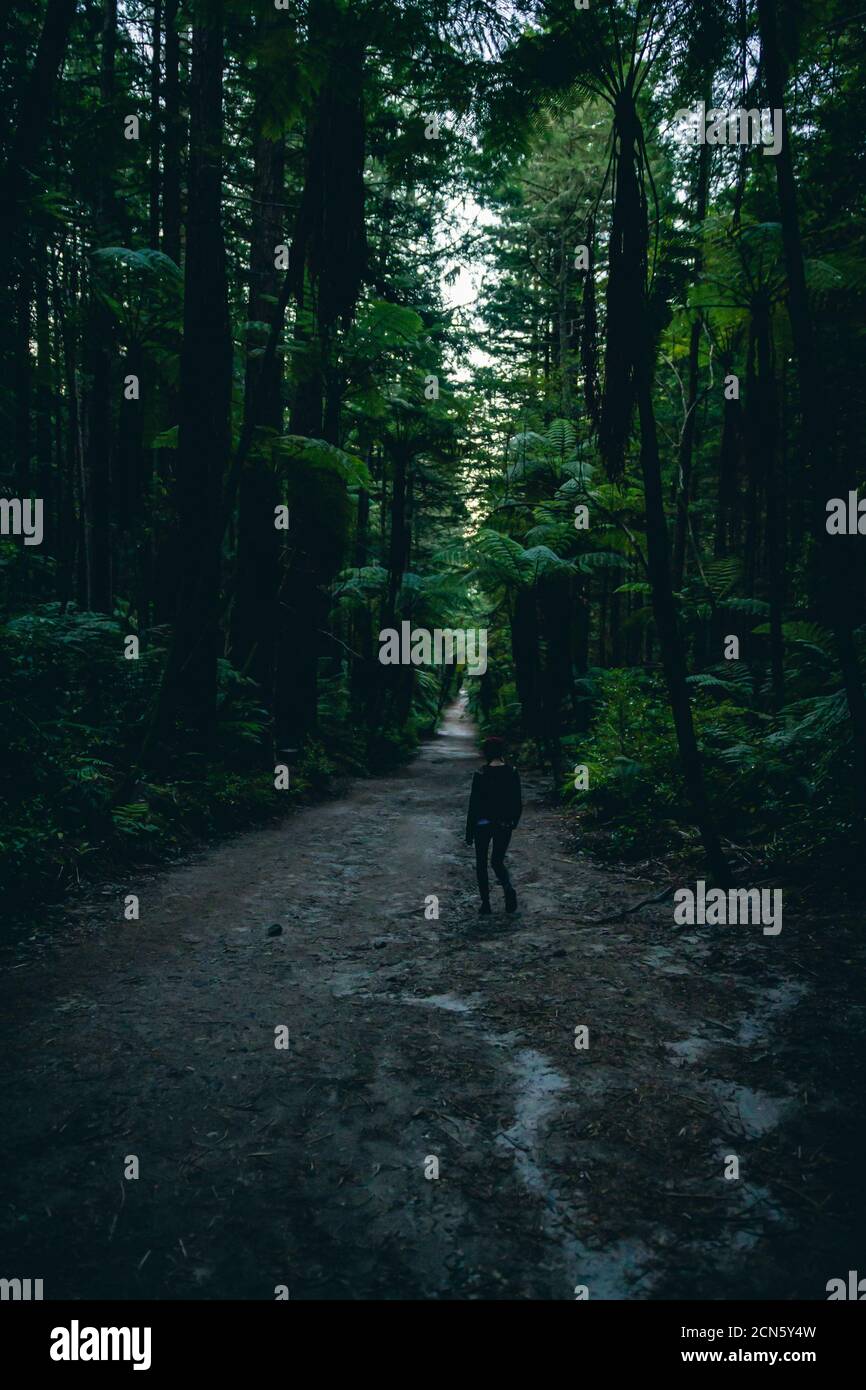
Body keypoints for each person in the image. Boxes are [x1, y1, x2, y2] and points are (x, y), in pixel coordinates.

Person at [465, 736, 522, 915]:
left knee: (481, 864)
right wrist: (513, 822)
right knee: (497, 861)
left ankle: (486, 904)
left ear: (486, 753)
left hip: (482, 824)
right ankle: (507, 888)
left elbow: (473, 805)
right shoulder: (512, 772)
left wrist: (469, 831)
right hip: (504, 824)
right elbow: (517, 802)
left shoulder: (480, 774)